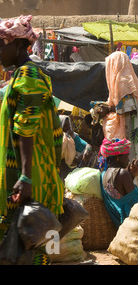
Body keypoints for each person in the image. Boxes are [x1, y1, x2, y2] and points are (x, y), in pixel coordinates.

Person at [0, 15, 65, 264]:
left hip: (31, 182)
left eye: (0, 45)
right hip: (28, 179)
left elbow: (26, 129)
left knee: (32, 253)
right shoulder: (21, 75)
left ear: (17, 45)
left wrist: (25, 177)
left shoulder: (28, 75)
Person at [95, 51, 138, 203]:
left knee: (132, 170)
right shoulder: (127, 80)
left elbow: (127, 107)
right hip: (136, 136)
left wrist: (108, 110)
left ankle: (136, 202)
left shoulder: (123, 81)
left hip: (130, 135)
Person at [99, 138, 138, 228]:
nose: (128, 160)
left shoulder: (104, 174)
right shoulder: (122, 173)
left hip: (118, 221)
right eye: (126, 156)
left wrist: (131, 176)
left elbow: (121, 194)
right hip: (132, 222)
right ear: (118, 157)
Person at [59, 115, 93, 180]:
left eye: (69, 125)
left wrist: (87, 150)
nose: (68, 128)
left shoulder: (73, 136)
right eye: (65, 126)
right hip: (65, 171)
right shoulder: (59, 141)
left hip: (79, 167)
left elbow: (87, 145)